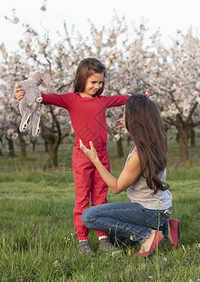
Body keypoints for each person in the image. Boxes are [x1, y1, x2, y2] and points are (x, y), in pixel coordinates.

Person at [14, 58, 130, 253]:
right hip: (82, 156)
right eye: (93, 82)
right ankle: (83, 240)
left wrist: (142, 97)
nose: (97, 86)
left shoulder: (103, 101)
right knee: (82, 197)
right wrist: (23, 93)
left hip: (101, 156)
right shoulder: (71, 100)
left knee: (101, 197)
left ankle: (103, 239)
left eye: (100, 82)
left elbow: (126, 98)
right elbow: (43, 98)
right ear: (82, 79)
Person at [80, 94, 181, 257]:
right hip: (162, 208)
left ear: (135, 119)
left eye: (125, 114)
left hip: (148, 211)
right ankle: (167, 228)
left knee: (89, 216)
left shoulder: (138, 156)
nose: (122, 117)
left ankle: (147, 236)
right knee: (116, 239)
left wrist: (95, 160)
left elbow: (116, 187)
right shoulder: (157, 141)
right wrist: (129, 125)